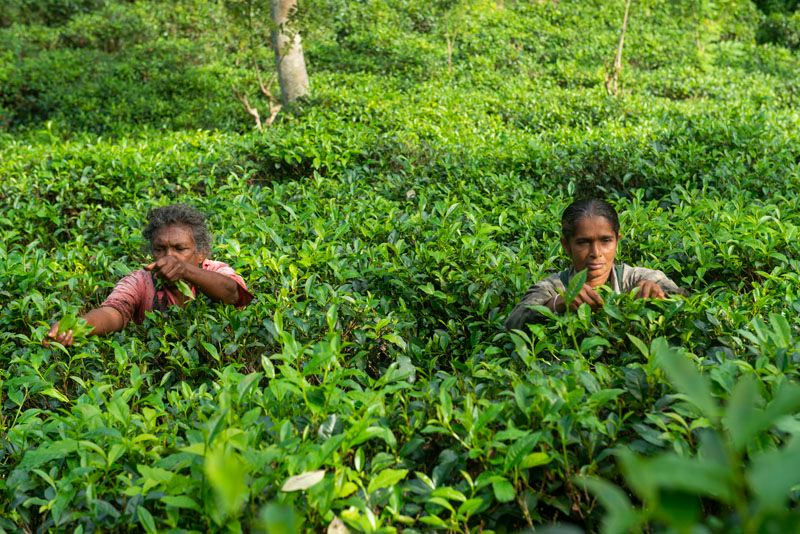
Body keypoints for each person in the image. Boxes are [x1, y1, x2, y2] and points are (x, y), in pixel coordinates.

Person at [46, 204, 253, 347]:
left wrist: (185, 271)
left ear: (201, 252)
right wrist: (74, 327)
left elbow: (233, 293)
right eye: (160, 249)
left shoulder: (215, 271)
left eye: (180, 249)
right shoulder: (140, 281)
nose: (168, 257)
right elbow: (113, 312)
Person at [506, 198, 686, 332]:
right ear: (566, 246)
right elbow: (513, 323)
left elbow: (683, 300)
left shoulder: (635, 278)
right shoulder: (553, 288)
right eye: (583, 242)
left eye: (606, 241)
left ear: (617, 241)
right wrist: (556, 304)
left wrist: (659, 294)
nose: (596, 252)